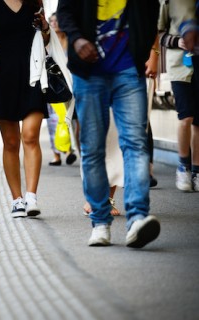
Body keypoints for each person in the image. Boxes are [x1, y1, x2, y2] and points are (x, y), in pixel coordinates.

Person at [58, 0, 161, 247]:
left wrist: (143, 51)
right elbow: (65, 11)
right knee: (93, 149)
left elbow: (151, 9)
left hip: (128, 70)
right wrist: (77, 39)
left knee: (135, 143)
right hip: (89, 73)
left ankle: (137, 218)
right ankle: (100, 222)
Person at [0, 0, 49, 217]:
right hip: (3, 76)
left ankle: (31, 197)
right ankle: (17, 199)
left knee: (30, 135)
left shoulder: (35, 1)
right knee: (10, 142)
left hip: (32, 75)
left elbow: (45, 40)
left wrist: (45, 26)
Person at [158, 0, 199, 192]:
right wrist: (177, 41)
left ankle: (197, 171)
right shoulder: (172, 2)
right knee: (186, 116)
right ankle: (183, 166)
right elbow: (159, 35)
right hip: (180, 65)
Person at [46, 13, 77, 166]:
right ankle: (57, 154)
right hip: (55, 85)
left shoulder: (71, 40)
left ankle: (71, 149)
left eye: (57, 20)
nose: (55, 23)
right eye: (52, 21)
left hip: (71, 84)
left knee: (70, 118)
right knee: (54, 120)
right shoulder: (48, 42)